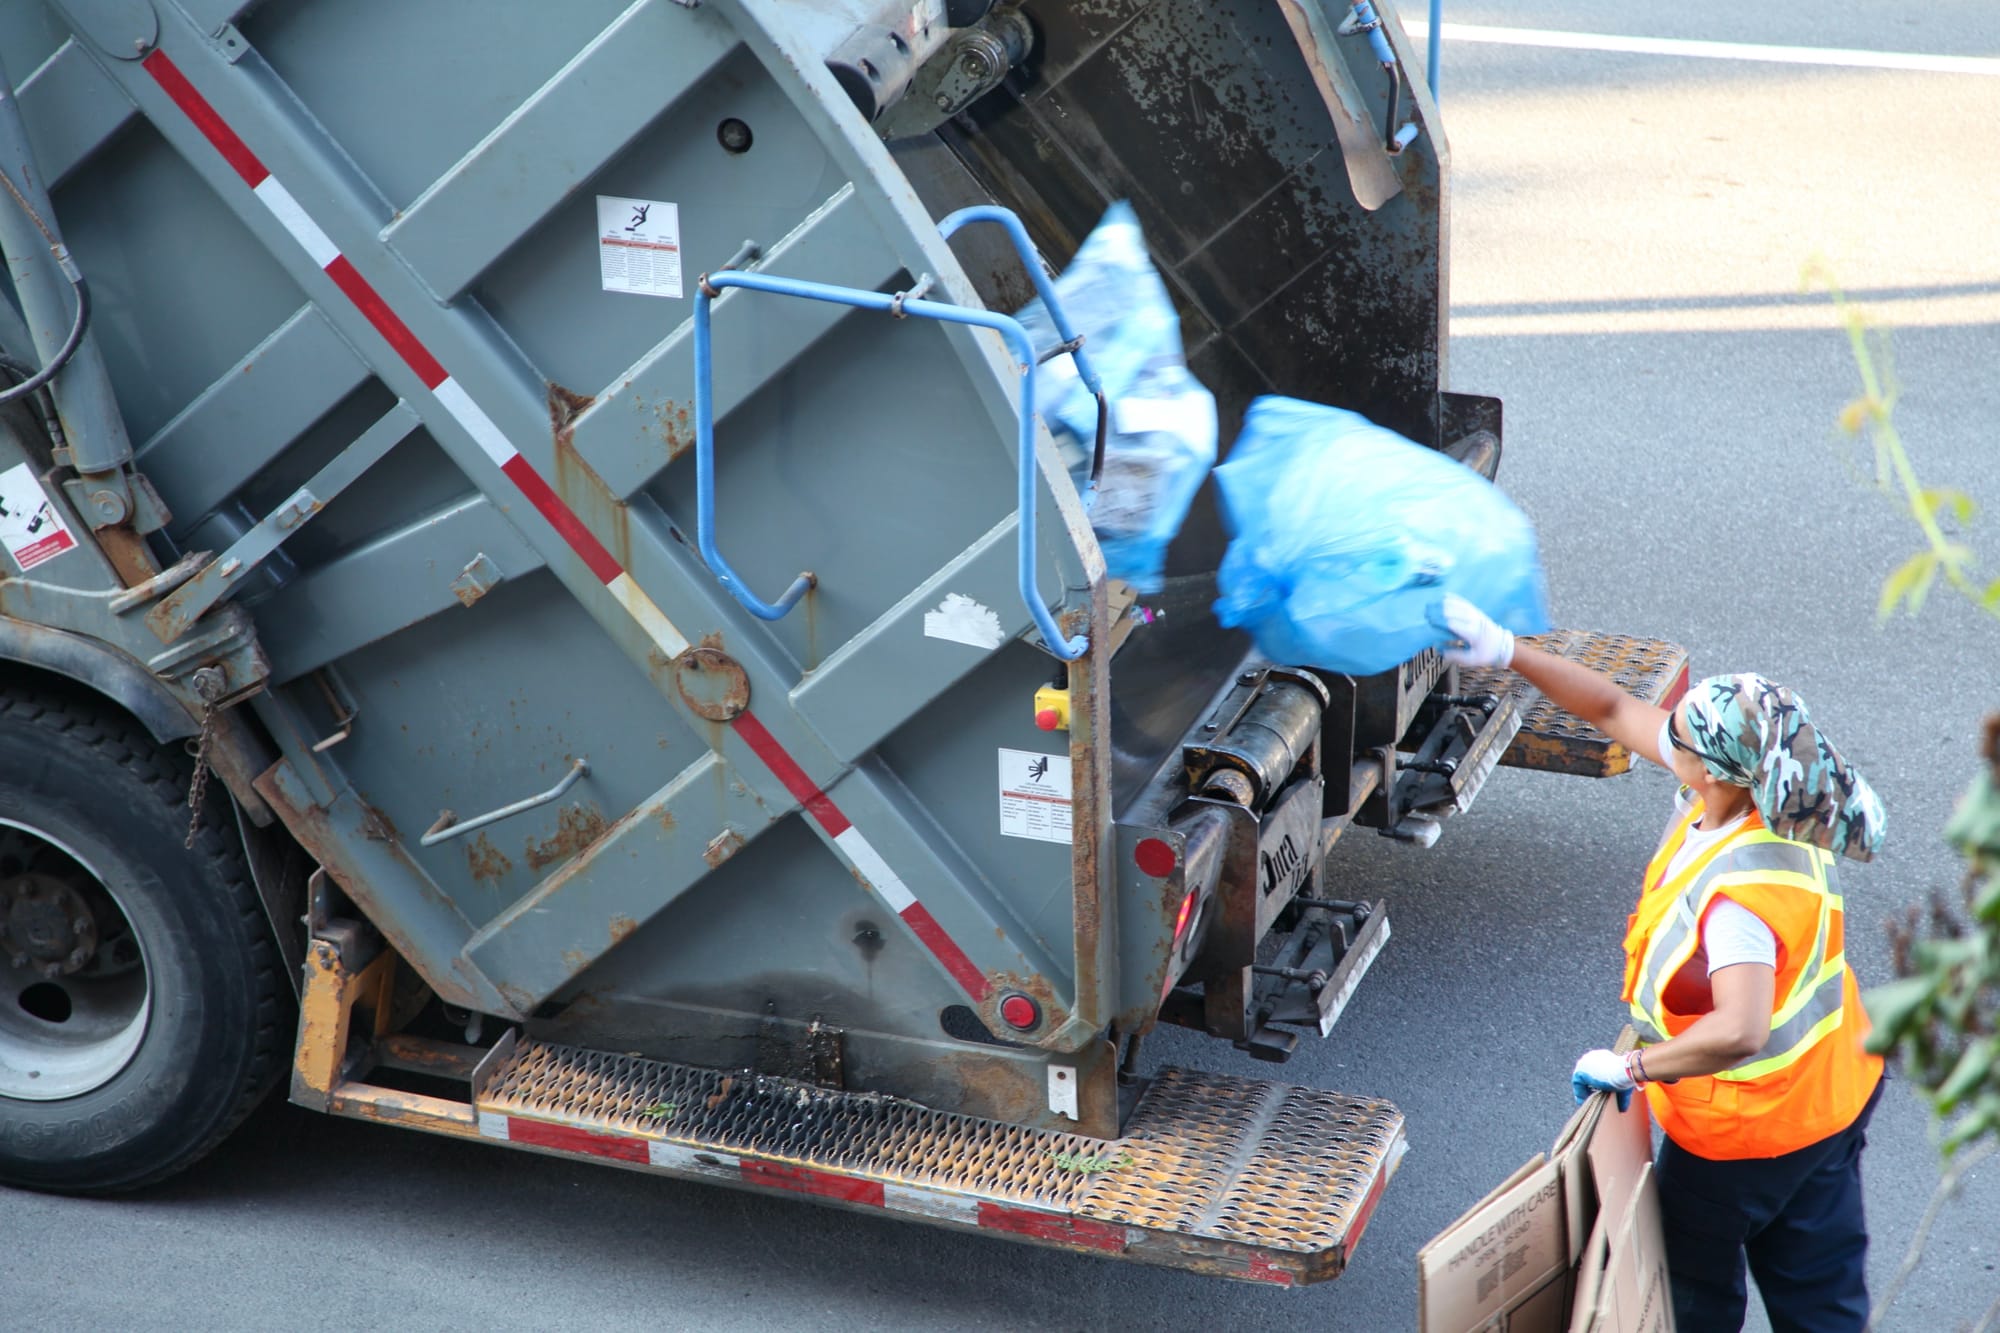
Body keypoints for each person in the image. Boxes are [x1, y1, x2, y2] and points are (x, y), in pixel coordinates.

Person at [1437, 593, 1888, 1333]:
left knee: (1692, 1301)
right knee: (1822, 1297)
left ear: (1712, 769)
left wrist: (1634, 1070)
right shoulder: (1773, 795)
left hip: (1743, 1137)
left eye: (1677, 738)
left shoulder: (1742, 894)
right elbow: (1615, 706)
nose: (1662, 738)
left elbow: (1741, 1028)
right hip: (1831, 1095)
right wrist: (1507, 651)